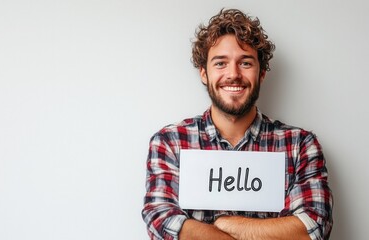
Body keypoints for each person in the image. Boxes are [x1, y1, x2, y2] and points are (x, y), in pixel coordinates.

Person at [141, 8, 333, 240]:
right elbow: (162, 222)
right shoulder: (169, 143)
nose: (233, 74)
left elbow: (312, 228)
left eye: (245, 63)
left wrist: (225, 223)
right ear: (204, 73)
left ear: (261, 74)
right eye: (221, 63)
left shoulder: (300, 145)